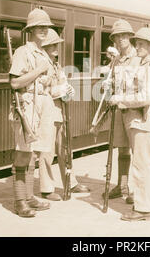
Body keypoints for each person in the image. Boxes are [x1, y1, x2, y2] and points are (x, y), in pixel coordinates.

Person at [109, 27, 150, 221]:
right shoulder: (147, 64)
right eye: (137, 43)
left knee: (141, 165)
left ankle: (143, 209)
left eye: (141, 44)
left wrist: (120, 98)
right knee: (144, 163)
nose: (137, 46)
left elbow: (147, 96)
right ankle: (148, 202)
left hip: (141, 120)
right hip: (138, 119)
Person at [8, 8, 55, 217]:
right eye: (39, 27)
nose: (44, 30)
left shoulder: (43, 53)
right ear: (31, 30)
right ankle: (20, 201)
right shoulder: (22, 52)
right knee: (22, 153)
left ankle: (29, 197)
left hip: (42, 107)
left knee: (34, 154)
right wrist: (38, 71)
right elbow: (15, 82)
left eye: (46, 26)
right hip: (27, 108)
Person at [38, 29, 90, 201]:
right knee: (47, 151)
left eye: (56, 44)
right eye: (51, 45)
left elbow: (61, 82)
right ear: (44, 46)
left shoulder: (56, 64)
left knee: (65, 149)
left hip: (60, 111)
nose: (55, 48)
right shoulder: (41, 63)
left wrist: (67, 90)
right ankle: (46, 188)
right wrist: (55, 90)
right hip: (46, 112)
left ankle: (70, 182)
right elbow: (39, 90)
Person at [102, 19, 139, 204]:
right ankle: (122, 185)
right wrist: (107, 85)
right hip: (118, 110)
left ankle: (137, 190)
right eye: (117, 36)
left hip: (133, 110)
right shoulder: (116, 61)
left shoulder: (138, 57)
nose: (121, 39)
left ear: (130, 37)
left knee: (137, 150)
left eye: (124, 35)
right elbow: (112, 83)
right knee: (122, 148)